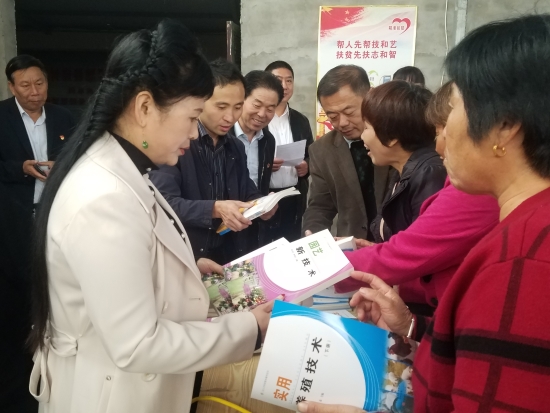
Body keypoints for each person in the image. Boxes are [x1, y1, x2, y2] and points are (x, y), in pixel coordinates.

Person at [304, 13, 550, 413]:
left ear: (505, 126)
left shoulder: (525, 260)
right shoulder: (521, 230)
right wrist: (411, 325)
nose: (441, 137)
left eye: (451, 112)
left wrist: (300, 271)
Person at [27, 20, 274, 413]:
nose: (193, 134)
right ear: (144, 107)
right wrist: (251, 328)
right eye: (192, 117)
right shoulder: (102, 197)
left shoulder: (123, 167)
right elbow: (138, 344)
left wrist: (183, 273)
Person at [335, 81, 499, 316]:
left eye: (442, 128)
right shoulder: (405, 172)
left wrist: (322, 267)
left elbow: (411, 254)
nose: (439, 142)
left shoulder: (461, 186)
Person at [0, 54, 74, 413]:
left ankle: (51, 372)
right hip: (12, 222)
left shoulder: (64, 118)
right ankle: (16, 387)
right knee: (15, 299)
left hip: (54, 219)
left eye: (40, 83)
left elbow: (80, 156)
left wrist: (64, 166)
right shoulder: (1, 118)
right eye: (26, 85)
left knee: (51, 291)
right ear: (11, 87)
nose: (34, 91)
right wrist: (21, 168)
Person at [149, 59, 275, 264]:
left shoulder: (235, 146)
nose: (230, 117)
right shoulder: (175, 144)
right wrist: (215, 209)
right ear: (201, 102)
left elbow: (245, 189)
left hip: (230, 255)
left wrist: (262, 204)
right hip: (188, 257)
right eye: (221, 107)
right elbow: (163, 203)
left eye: (237, 107)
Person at [358, 81, 447, 314]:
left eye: (366, 127)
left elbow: (423, 253)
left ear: (391, 136)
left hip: (423, 310)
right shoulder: (404, 170)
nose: (362, 136)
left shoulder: (430, 173)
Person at [302, 65, 391, 240]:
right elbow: (320, 205)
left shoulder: (395, 137)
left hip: (396, 244)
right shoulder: (321, 151)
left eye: (349, 112)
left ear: (370, 97)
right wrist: (312, 234)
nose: (342, 123)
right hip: (351, 246)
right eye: (333, 116)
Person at [261, 60, 313, 243]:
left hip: (294, 195)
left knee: (292, 244)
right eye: (278, 80)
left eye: (289, 80)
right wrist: (266, 165)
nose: (284, 86)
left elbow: (311, 153)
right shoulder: (258, 118)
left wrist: (307, 166)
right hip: (265, 197)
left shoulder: (301, 120)